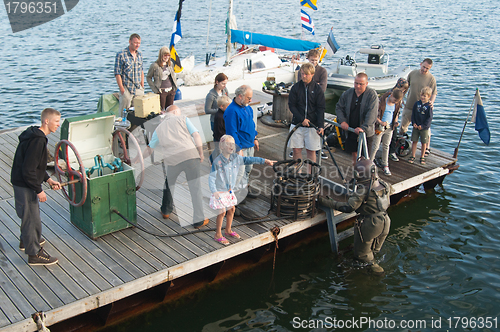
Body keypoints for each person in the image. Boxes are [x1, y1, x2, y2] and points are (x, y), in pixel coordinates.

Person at [319, 158, 393, 275]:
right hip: (385, 220)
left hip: (370, 224)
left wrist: (326, 202)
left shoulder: (363, 191)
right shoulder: (384, 185)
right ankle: (371, 263)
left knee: (362, 255)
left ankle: (377, 272)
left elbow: (348, 207)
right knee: (373, 249)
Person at [11, 108, 62, 266]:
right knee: (31, 219)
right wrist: (39, 190)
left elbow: (36, 166)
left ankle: (25, 241)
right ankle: (34, 254)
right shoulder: (38, 140)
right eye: (56, 122)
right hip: (24, 183)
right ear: (46, 121)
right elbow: (28, 170)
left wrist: (47, 179)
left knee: (31, 216)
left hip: (25, 181)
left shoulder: (35, 135)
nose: (58, 125)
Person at [146, 105, 209, 228]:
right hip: (190, 156)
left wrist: (138, 159)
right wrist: (200, 152)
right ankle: (198, 220)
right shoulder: (183, 119)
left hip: (173, 159)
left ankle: (166, 211)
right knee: (195, 187)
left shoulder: (159, 128)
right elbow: (196, 135)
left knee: (169, 183)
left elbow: (150, 147)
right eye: (179, 112)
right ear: (175, 112)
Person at [209, 135, 276, 245]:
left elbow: (248, 159)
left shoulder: (236, 158)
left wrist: (264, 160)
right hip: (220, 191)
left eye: (233, 144)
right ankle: (217, 234)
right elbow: (212, 177)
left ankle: (228, 230)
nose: (231, 146)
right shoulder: (217, 162)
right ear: (221, 146)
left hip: (229, 191)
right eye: (228, 144)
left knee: (231, 210)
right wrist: (214, 191)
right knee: (222, 212)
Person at [336, 72, 379, 165]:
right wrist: (342, 120)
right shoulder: (348, 93)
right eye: (356, 83)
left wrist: (363, 128)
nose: (358, 86)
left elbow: (372, 113)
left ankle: (365, 177)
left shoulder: (372, 95)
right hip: (351, 130)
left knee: (365, 158)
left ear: (366, 84)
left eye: (361, 84)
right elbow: (339, 107)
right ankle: (355, 174)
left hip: (365, 133)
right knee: (354, 155)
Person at [224, 85, 259, 197]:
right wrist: (238, 149)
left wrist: (255, 138)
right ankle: (231, 199)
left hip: (250, 145)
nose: (250, 100)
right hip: (240, 147)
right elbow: (232, 132)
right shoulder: (231, 111)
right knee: (238, 174)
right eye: (248, 97)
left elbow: (251, 124)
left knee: (248, 170)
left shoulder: (247, 107)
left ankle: (243, 191)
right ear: (240, 96)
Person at [288, 62, 325, 164]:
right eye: (302, 73)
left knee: (311, 151)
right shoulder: (295, 88)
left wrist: (321, 125)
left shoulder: (318, 90)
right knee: (296, 149)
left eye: (306, 74)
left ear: (312, 74)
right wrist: (301, 119)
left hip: (312, 126)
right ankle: (297, 174)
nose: (304, 76)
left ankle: (310, 175)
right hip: (297, 124)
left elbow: (321, 108)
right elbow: (292, 106)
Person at [399, 58, 437, 157]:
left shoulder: (431, 79)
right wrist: (401, 98)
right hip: (410, 105)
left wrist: (431, 103)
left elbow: (434, 93)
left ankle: (427, 148)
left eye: (427, 68)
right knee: (403, 125)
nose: (424, 69)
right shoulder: (412, 74)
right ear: (420, 64)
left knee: (425, 128)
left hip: (423, 108)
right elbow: (406, 87)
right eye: (424, 67)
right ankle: (400, 144)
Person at [369, 88, 404, 175]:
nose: (395, 102)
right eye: (395, 100)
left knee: (386, 146)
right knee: (375, 146)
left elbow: (396, 113)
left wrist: (395, 121)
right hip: (380, 127)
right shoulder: (381, 102)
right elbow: (374, 114)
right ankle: (370, 163)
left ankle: (385, 165)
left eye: (397, 101)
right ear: (391, 96)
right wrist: (380, 122)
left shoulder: (397, 104)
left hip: (389, 127)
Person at [115, 33, 145, 115]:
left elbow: (141, 70)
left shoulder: (140, 55)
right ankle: (122, 126)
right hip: (127, 87)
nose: (137, 45)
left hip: (138, 87)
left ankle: (136, 127)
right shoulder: (121, 55)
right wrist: (121, 88)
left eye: (139, 43)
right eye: (135, 43)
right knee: (124, 112)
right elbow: (117, 73)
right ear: (130, 42)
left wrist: (142, 85)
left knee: (139, 112)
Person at [146, 46, 178, 111]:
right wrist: (155, 89)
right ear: (161, 55)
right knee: (161, 110)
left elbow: (172, 76)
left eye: (168, 55)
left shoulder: (170, 64)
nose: (166, 57)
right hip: (161, 91)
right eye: (165, 55)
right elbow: (148, 78)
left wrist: (174, 88)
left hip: (171, 90)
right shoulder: (155, 65)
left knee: (170, 110)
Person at [386, 78, 409, 162]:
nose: (403, 90)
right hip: (387, 117)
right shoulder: (390, 94)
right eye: (402, 88)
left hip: (394, 117)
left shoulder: (401, 96)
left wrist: (396, 120)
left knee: (394, 135)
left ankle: (391, 152)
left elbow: (398, 110)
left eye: (405, 89)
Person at [408, 87, 433, 165]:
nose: (422, 97)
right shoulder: (417, 103)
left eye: (425, 96)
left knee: (423, 142)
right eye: (422, 95)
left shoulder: (429, 106)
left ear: (429, 96)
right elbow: (413, 115)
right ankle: (413, 155)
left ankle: (422, 156)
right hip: (416, 126)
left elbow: (429, 118)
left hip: (424, 128)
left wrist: (423, 126)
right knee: (414, 141)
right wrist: (414, 123)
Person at [210, 95, 232, 164]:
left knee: (217, 151)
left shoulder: (225, 113)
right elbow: (219, 131)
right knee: (220, 152)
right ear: (222, 106)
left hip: (221, 138)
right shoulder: (219, 116)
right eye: (227, 107)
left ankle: (211, 159)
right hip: (220, 139)